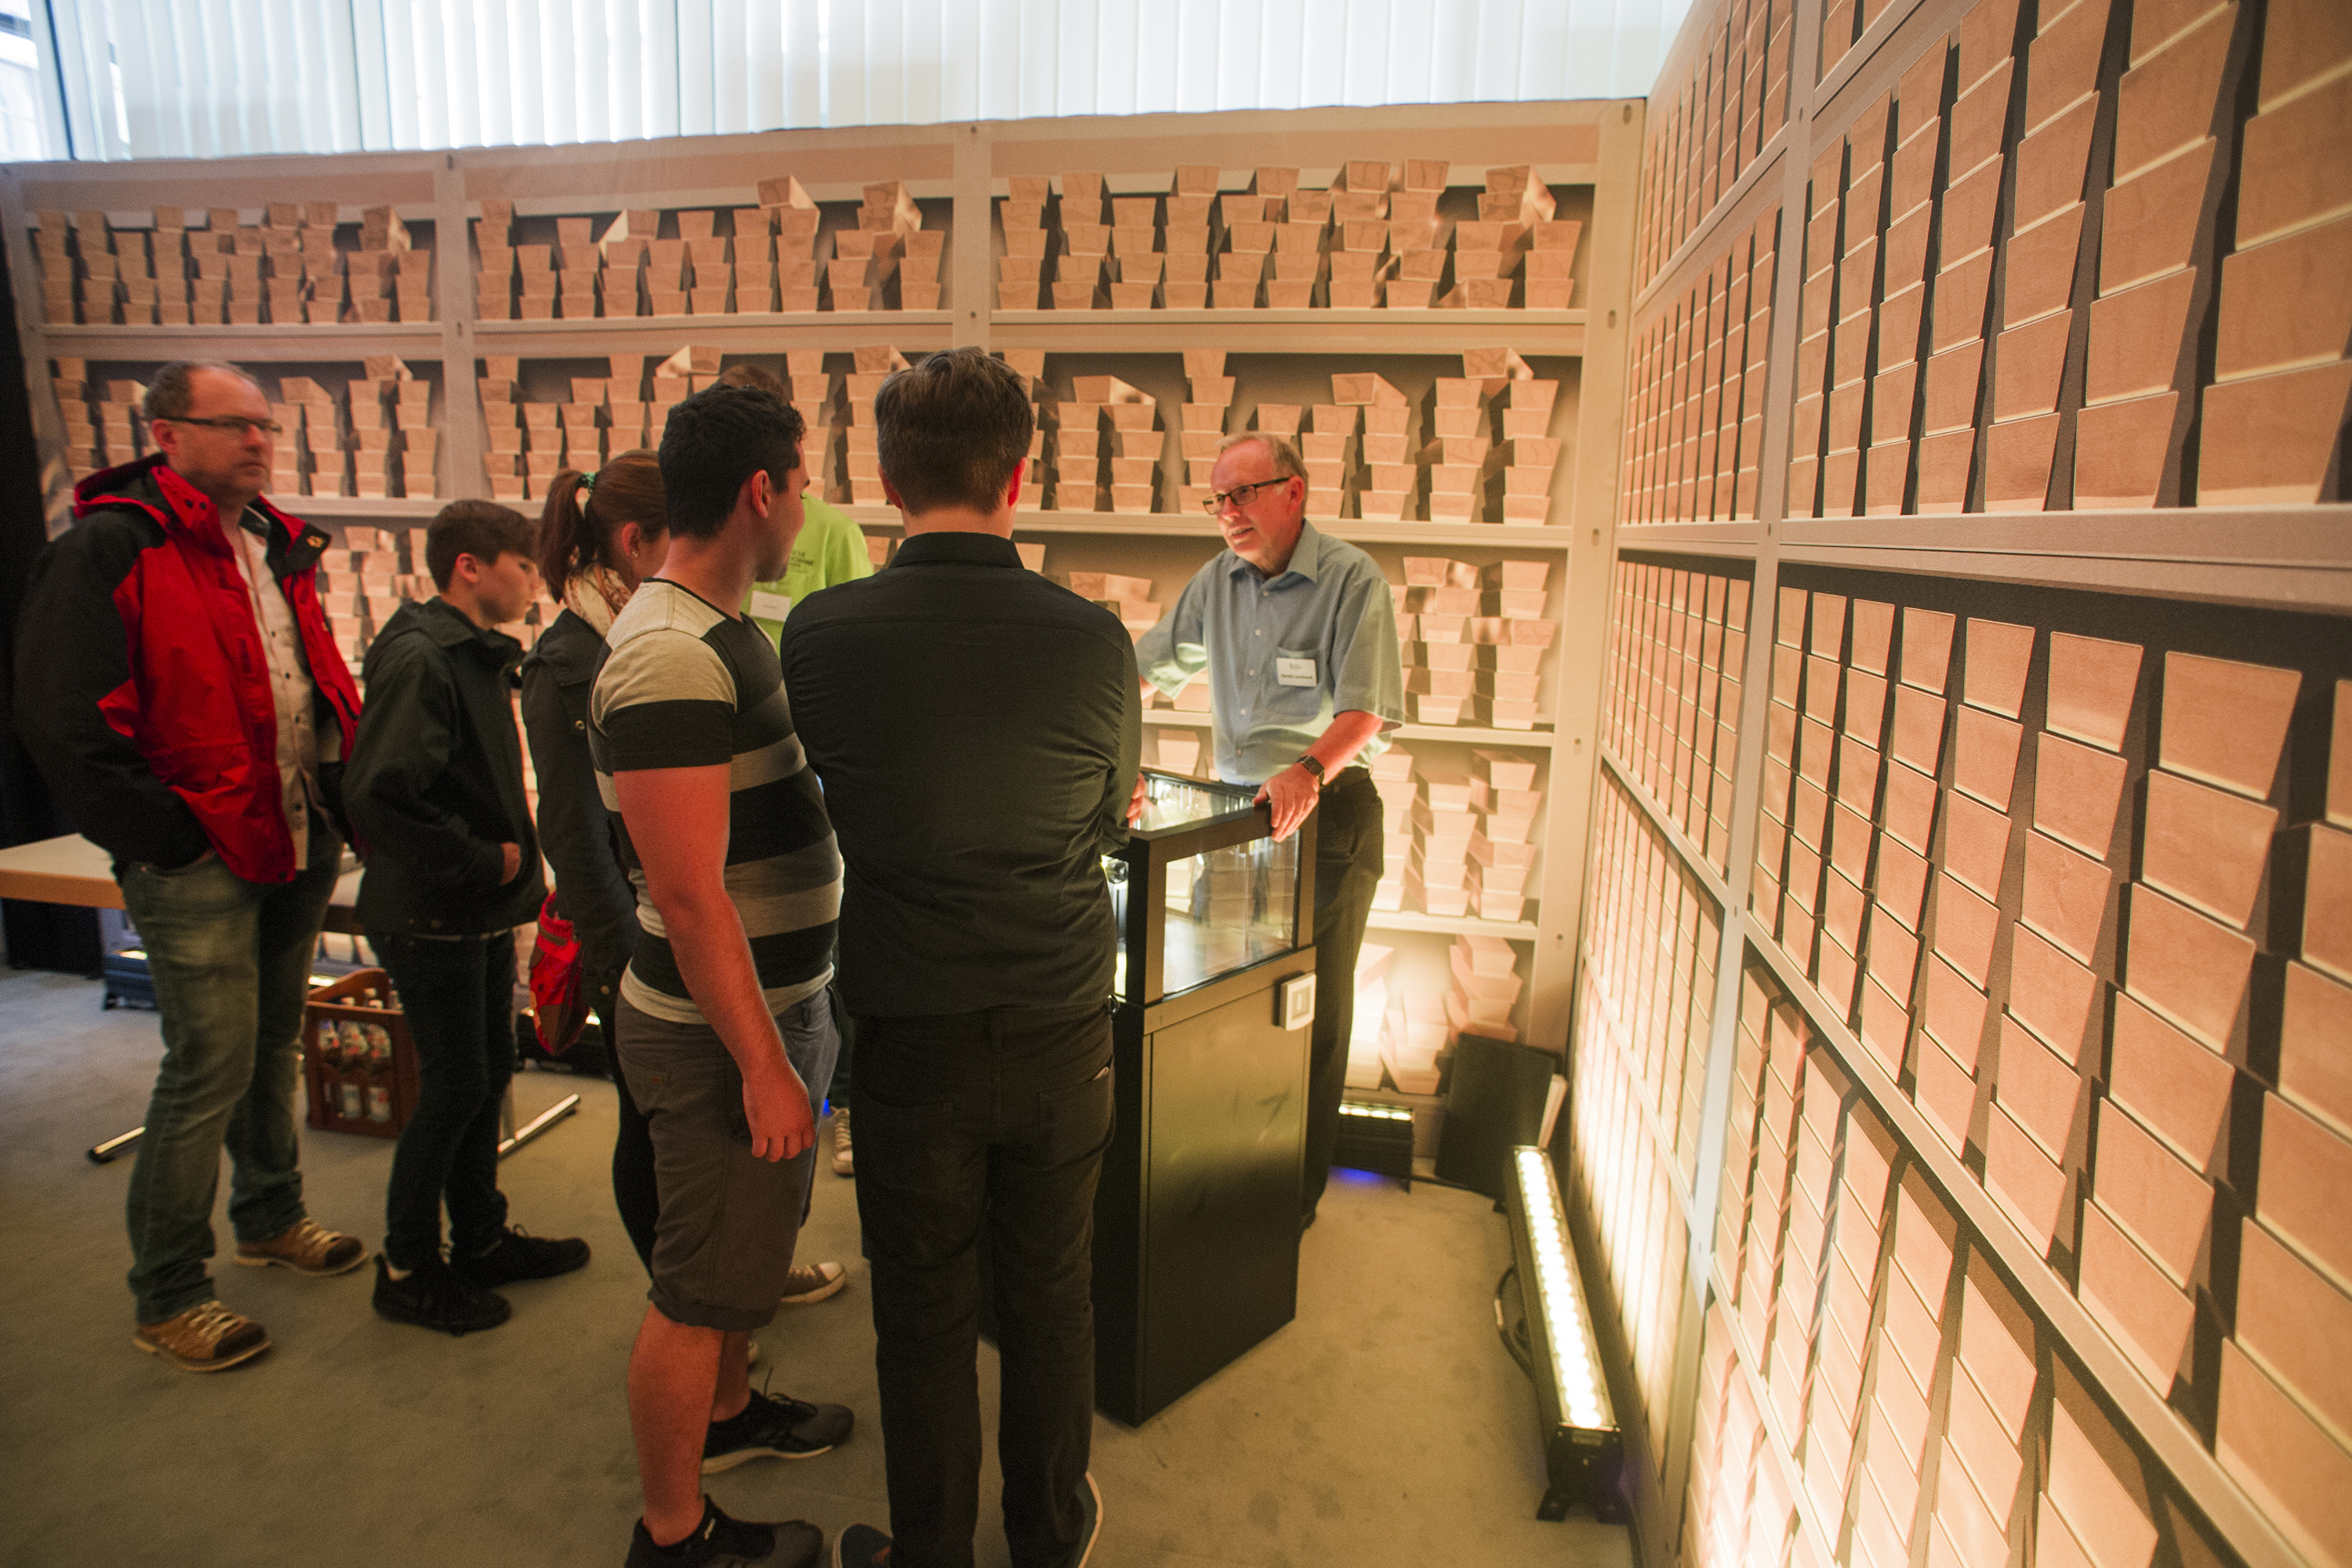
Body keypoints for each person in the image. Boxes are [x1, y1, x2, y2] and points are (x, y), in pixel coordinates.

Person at [780, 347, 1136, 1568]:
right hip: (1060, 1016)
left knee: (922, 1307)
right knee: (1052, 1293)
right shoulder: (1094, 639)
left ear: (887, 480)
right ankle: (1049, 1530)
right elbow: (1107, 822)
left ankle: (929, 1549)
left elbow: (830, 799)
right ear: (1020, 476)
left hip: (907, 1018)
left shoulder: (821, 634)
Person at [13, 360, 369, 1372]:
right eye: (234, 425)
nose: (259, 442)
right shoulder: (109, 549)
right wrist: (166, 836)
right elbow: (64, 719)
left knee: (270, 1046)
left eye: (266, 426)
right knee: (207, 1063)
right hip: (199, 853)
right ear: (167, 435)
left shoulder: (276, 544)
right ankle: (169, 1290)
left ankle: (271, 1216)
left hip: (295, 834)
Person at [592, 383, 849, 1568]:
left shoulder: (717, 627)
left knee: (742, 1254)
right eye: (802, 483)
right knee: (697, 1287)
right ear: (761, 490)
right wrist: (761, 1064)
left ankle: (734, 1414)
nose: (806, 505)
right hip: (714, 1037)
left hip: (767, 1013)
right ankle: (672, 1532)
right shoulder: (668, 657)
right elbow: (690, 897)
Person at [521, 454, 844, 1309]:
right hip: (675, 975)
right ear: (637, 543)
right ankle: (703, 1308)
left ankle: (735, 1288)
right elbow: (594, 844)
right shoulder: (638, 654)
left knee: (733, 1208)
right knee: (682, 1212)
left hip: (735, 976)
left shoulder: (699, 631)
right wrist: (627, 955)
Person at [1134, 432, 1404, 1230]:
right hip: (1233, 819)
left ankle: (1290, 1202)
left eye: (1243, 493)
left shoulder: (1352, 579)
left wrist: (1307, 770)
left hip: (1328, 812)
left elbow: (1367, 709)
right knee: (1217, 997)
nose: (1228, 512)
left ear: (1295, 491)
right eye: (1217, 499)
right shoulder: (1215, 582)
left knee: (1307, 1010)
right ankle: (1219, 1169)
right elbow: (1143, 671)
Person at [343, 500, 591, 1334]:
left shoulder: (475, 653)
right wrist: (484, 860)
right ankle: (408, 1266)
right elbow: (382, 792)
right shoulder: (423, 657)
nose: (534, 585)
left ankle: (480, 1236)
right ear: (470, 568)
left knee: (485, 1076)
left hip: (473, 912)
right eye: (523, 567)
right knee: (453, 1086)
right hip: (434, 914)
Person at [721, 361, 874, 1185]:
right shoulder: (700, 536)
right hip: (722, 776)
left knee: (827, 941)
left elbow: (857, 667)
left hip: (807, 775)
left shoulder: (831, 533)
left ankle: (840, 1104)